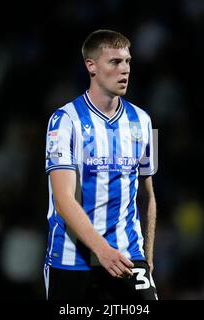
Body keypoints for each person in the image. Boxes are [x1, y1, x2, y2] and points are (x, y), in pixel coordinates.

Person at [43, 29, 158, 300]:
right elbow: (64, 200)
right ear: (91, 66)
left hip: (128, 258)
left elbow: (147, 195)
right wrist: (102, 251)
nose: (125, 69)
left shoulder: (143, 121)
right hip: (72, 261)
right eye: (115, 62)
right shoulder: (64, 121)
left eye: (128, 61)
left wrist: (146, 257)